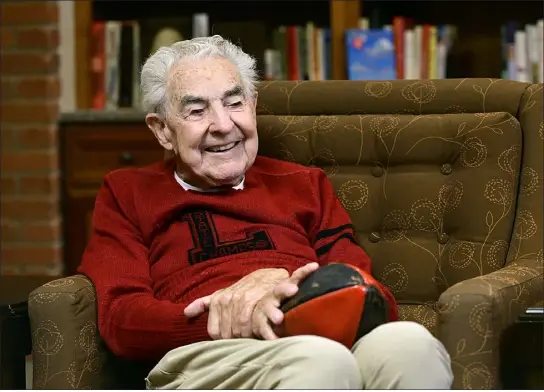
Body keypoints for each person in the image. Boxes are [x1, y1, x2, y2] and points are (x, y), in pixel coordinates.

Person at [78, 35, 453, 390]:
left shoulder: (304, 184)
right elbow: (122, 320)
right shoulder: (127, 192)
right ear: (161, 130)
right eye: (196, 110)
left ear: (253, 106)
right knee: (319, 360)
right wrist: (232, 316)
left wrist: (282, 290)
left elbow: (367, 292)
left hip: (317, 330)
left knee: (410, 344)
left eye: (235, 103)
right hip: (206, 353)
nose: (223, 125)